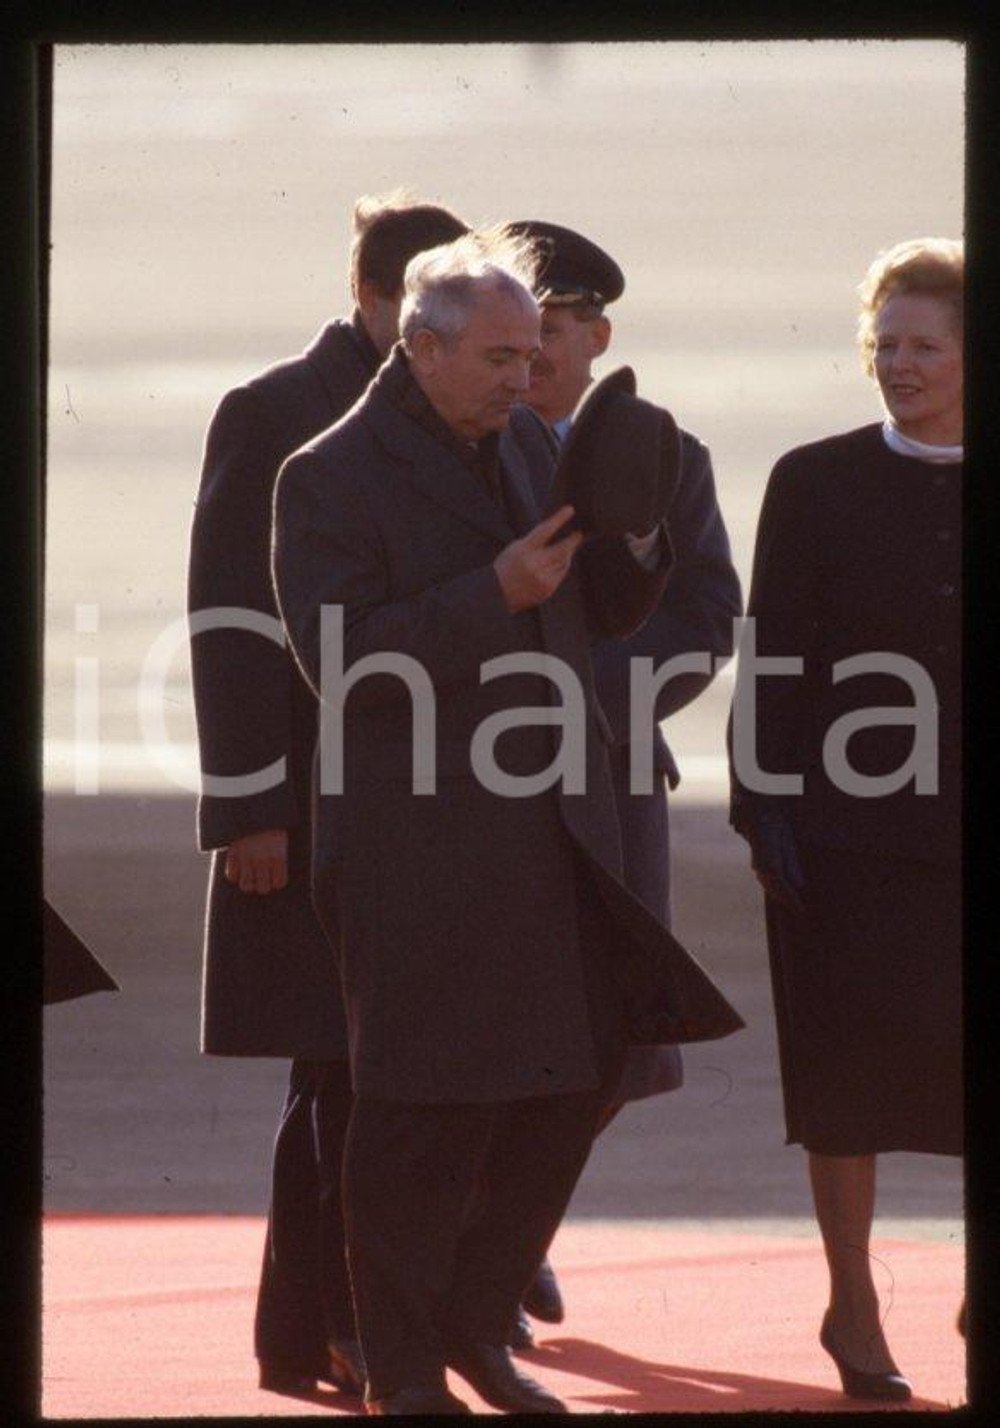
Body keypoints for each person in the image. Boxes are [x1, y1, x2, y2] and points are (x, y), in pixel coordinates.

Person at [273, 226, 744, 1415]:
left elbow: (597, 597)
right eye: (497, 358)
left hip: (560, 828)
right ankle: (405, 1370)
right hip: (415, 842)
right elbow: (341, 663)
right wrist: (489, 596)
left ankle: (478, 1331)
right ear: (421, 349)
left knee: (569, 1086)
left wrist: (633, 536)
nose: (523, 379)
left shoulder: (532, 438)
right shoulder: (327, 471)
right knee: (419, 1116)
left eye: (532, 354)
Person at [187, 192, 469, 1398]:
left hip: (416, 804)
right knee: (340, 1069)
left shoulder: (451, 411)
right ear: (371, 298)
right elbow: (227, 620)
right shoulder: (274, 411)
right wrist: (246, 810)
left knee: (349, 1071)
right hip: (301, 806)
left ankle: (307, 1332)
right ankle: (341, 1325)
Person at [729, 237, 963, 1401]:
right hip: (843, 836)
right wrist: (761, 809)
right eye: (884, 345)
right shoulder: (812, 480)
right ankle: (852, 1298)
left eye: (924, 346)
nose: (899, 365)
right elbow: (768, 658)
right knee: (842, 1080)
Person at [510, 218, 742, 1325]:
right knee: (498, 1027)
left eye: (556, 327)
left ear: (598, 335)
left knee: (616, 1041)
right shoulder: (474, 443)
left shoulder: (667, 452)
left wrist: (594, 704)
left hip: (613, 771)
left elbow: (704, 615)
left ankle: (514, 1229)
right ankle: (490, 1252)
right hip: (485, 776)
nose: (538, 348)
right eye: (525, 326)